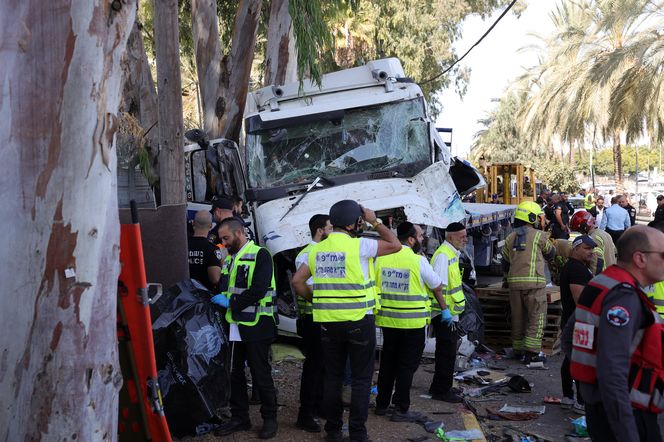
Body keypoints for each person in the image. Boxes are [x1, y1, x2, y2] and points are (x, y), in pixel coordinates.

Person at [291, 200, 401, 442]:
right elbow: (395, 245)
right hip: (359, 322)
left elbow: (298, 282)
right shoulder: (360, 246)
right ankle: (358, 434)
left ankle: (332, 431)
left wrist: (318, 300)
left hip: (328, 323)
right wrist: (375, 220)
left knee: (332, 377)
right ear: (353, 223)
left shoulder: (316, 250)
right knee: (361, 380)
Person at [571, 226, 664, 442]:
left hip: (601, 408)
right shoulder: (624, 297)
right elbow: (612, 371)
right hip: (628, 413)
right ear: (640, 259)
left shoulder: (602, 283)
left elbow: (570, 337)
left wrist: (590, 391)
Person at [213, 218, 279, 439]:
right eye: (221, 239)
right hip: (234, 324)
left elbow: (259, 289)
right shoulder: (230, 258)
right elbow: (224, 285)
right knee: (234, 373)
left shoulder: (260, 254)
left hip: (257, 324)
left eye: (226, 238)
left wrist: (230, 302)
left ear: (239, 233)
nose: (223, 243)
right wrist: (222, 297)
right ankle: (240, 417)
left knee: (260, 374)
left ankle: (270, 418)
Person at [374, 222, 446, 420]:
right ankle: (401, 407)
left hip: (388, 321)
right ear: (411, 239)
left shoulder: (381, 260)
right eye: (421, 236)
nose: (423, 239)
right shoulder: (418, 261)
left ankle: (381, 404)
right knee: (406, 366)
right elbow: (437, 284)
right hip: (413, 324)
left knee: (387, 364)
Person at [502, 201, 556, 364]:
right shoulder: (539, 236)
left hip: (514, 285)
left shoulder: (510, 237)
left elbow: (505, 262)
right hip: (534, 285)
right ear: (532, 217)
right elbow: (551, 253)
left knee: (518, 318)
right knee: (536, 318)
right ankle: (532, 354)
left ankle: (518, 350)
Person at [294, 214, 333, 433]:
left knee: (324, 367)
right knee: (314, 367)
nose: (332, 231)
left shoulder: (322, 252)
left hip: (324, 317)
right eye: (329, 228)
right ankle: (305, 414)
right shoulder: (308, 254)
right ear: (320, 230)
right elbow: (306, 286)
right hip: (313, 318)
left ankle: (319, 406)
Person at [429, 222, 468, 402]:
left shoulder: (451, 254)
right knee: (446, 353)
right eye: (462, 237)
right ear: (450, 237)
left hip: (450, 313)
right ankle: (441, 391)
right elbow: (437, 287)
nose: (465, 239)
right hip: (443, 314)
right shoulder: (443, 256)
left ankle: (441, 386)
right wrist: (445, 312)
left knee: (448, 352)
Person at [558, 235, 596, 413]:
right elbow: (581, 300)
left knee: (570, 358)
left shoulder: (577, 267)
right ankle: (581, 400)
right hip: (578, 321)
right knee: (580, 360)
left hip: (571, 319)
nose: (591, 252)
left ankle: (568, 396)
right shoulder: (577, 270)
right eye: (587, 248)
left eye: (592, 249)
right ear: (576, 248)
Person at [570, 210, 616, 275]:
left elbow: (596, 261)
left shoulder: (593, 238)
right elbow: (615, 252)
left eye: (579, 230)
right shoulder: (604, 233)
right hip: (612, 274)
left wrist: (592, 279)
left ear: (584, 226)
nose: (581, 233)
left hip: (603, 277)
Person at [187, 210, 223, 291]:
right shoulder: (212, 249)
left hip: (184, 293)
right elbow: (215, 279)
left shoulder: (183, 246)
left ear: (193, 223)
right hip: (204, 296)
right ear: (210, 226)